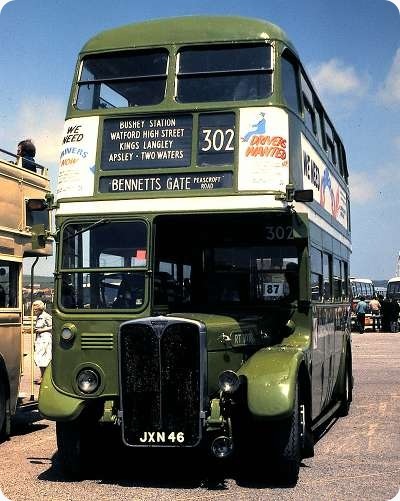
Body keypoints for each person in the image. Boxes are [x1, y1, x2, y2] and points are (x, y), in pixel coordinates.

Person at [32, 300, 52, 384]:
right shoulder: (38, 316)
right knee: (39, 358)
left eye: (36, 309)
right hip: (39, 339)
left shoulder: (46, 316)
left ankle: (44, 377)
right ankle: (42, 376)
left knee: (44, 358)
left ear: (40, 309)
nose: (34, 311)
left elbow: (53, 326)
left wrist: (41, 330)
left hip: (45, 339)